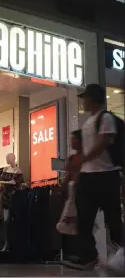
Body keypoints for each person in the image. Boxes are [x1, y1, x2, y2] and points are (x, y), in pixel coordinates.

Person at [64, 84, 122, 270]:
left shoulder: (106, 118)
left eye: (86, 97)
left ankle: (120, 254)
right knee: (83, 218)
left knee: (113, 218)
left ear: (93, 98)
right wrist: (80, 170)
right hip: (88, 177)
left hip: (107, 175)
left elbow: (103, 143)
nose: (83, 101)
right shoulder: (88, 122)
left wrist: (82, 161)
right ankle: (89, 256)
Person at [57, 130, 83, 257]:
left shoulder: (85, 156)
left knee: (79, 221)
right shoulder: (72, 158)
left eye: (73, 139)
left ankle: (81, 253)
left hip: (82, 192)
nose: (71, 142)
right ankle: (76, 252)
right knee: (71, 221)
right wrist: (62, 189)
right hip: (72, 192)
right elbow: (68, 175)